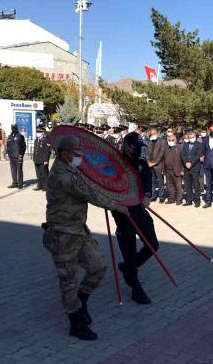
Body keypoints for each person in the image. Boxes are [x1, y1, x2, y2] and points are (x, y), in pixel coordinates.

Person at [43, 134, 128, 341]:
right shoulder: (63, 176)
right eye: (76, 154)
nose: (80, 158)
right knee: (68, 281)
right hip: (63, 234)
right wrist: (117, 205)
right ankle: (76, 322)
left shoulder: (70, 169)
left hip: (79, 230)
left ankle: (81, 301)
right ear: (64, 154)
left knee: (98, 267)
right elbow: (90, 194)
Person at [111, 132, 160, 304]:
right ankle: (136, 288)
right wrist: (114, 203)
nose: (137, 150)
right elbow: (107, 184)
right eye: (134, 146)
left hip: (139, 208)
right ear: (125, 145)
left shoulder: (140, 161)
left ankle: (129, 268)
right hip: (122, 211)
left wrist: (148, 195)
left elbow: (147, 178)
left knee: (153, 245)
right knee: (129, 249)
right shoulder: (116, 162)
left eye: (139, 147)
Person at [181, 131, 204, 207]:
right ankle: (189, 200)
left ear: (195, 137)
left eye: (193, 137)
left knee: (196, 184)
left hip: (195, 167)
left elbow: (198, 155)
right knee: (187, 185)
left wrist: (191, 163)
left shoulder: (199, 145)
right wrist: (186, 163)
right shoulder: (185, 144)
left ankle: (197, 200)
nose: (191, 138)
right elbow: (183, 155)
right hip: (186, 168)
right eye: (190, 137)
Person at [146, 128, 167, 202]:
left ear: (157, 133)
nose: (153, 135)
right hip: (150, 164)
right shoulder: (150, 141)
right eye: (151, 134)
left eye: (154, 133)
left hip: (158, 165)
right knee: (152, 181)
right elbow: (147, 153)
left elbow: (162, 153)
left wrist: (155, 162)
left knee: (160, 181)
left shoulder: (162, 141)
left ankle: (161, 196)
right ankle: (153, 195)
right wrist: (148, 162)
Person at [163, 134, 183, 205]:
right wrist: (163, 170)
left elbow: (183, 160)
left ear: (175, 140)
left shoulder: (179, 148)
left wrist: (182, 170)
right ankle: (171, 199)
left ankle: (179, 200)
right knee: (169, 186)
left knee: (178, 186)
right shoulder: (166, 148)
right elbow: (163, 159)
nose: (170, 141)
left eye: (172, 140)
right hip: (167, 170)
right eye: (169, 140)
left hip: (177, 170)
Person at [6, 124, 26, 189]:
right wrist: (7, 153)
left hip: (18, 156)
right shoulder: (9, 136)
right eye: (12, 128)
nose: (13, 129)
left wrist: (21, 154)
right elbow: (8, 146)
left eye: (14, 128)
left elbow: (23, 146)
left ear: (16, 128)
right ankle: (14, 183)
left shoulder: (20, 136)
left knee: (19, 170)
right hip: (11, 156)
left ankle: (20, 184)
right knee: (13, 170)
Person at [33, 126, 52, 191]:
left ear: (43, 132)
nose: (38, 133)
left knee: (44, 174)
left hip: (43, 160)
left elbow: (47, 150)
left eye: (40, 132)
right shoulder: (36, 140)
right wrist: (34, 158)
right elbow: (35, 150)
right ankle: (39, 185)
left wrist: (46, 160)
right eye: (37, 132)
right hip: (37, 159)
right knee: (38, 174)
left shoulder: (46, 140)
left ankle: (46, 186)